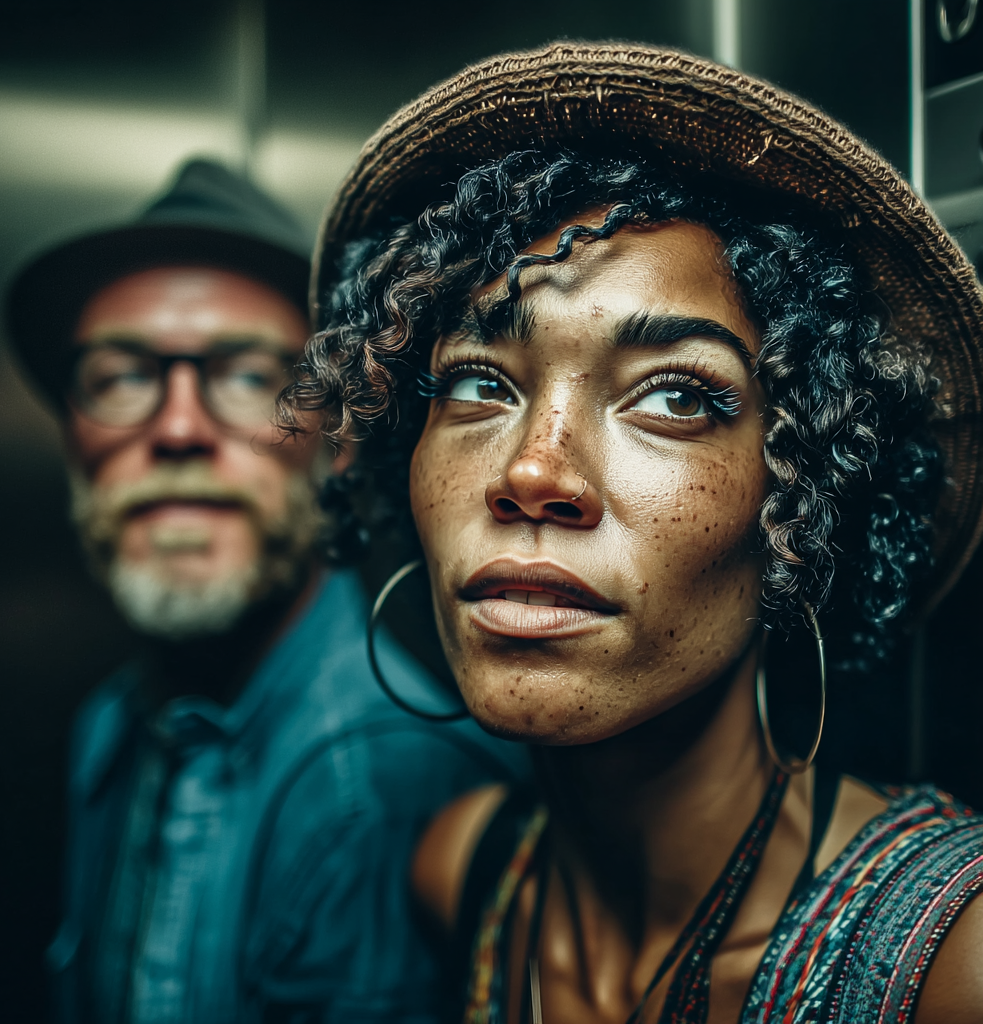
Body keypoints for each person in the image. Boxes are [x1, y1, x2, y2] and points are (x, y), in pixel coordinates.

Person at [280, 45, 983, 1023]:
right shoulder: (460, 876)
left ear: (800, 505)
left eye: (676, 397)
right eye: (480, 383)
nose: (533, 471)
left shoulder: (950, 967)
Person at [5, 158, 525, 1024]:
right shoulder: (111, 728)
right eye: (121, 376)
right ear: (71, 438)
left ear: (339, 439)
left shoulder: (381, 786)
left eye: (249, 375)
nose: (177, 429)